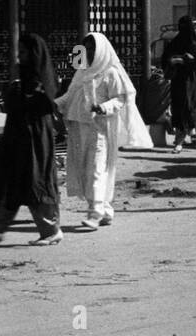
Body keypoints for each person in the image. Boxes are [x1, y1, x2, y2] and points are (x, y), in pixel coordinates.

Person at [0, 33, 62, 245]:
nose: (19, 57)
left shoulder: (42, 81)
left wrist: (29, 94)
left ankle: (51, 231)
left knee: (35, 184)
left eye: (23, 52)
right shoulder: (22, 78)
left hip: (35, 143)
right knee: (9, 185)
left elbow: (45, 106)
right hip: (16, 140)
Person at [57, 32, 149, 230]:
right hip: (79, 127)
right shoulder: (81, 72)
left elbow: (122, 98)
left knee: (96, 168)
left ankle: (95, 211)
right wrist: (53, 104)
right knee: (84, 167)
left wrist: (104, 107)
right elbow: (70, 95)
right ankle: (106, 210)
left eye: (92, 48)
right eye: (86, 48)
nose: (89, 52)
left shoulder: (110, 73)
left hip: (101, 129)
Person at [162, 15, 196, 153]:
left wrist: (186, 60)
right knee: (181, 108)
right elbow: (166, 59)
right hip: (180, 80)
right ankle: (180, 138)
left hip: (187, 81)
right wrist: (174, 61)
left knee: (187, 107)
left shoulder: (191, 44)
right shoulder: (178, 43)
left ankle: (184, 136)